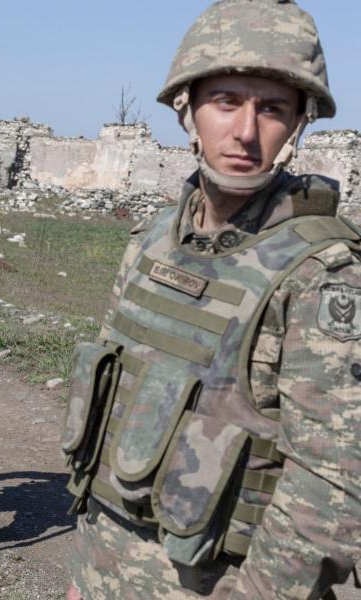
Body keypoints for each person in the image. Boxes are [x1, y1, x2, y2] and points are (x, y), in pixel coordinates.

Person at [62, 1, 361, 598]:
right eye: (226, 101)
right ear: (188, 108)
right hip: (105, 567)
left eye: (272, 107)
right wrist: (84, 572)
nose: (246, 131)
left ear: (299, 122)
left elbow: (331, 489)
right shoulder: (149, 241)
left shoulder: (323, 276)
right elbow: (114, 416)